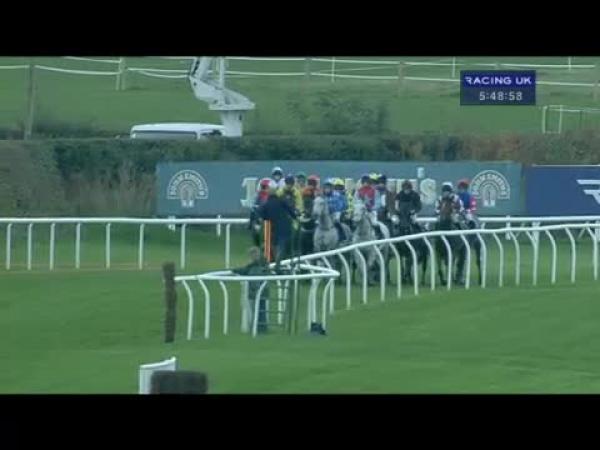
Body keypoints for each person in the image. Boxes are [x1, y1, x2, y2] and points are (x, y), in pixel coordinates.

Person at [257, 184, 298, 269]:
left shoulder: (266, 204)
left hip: (272, 229)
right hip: (285, 227)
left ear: (268, 193)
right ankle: (280, 263)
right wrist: (296, 217)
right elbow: (291, 212)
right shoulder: (282, 201)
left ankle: (272, 263)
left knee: (273, 245)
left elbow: (260, 216)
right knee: (283, 246)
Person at [231, 247, 270, 334]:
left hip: (258, 291)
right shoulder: (261, 264)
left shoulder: (257, 265)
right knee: (258, 310)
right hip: (259, 291)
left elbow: (245, 270)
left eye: (252, 255)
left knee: (260, 310)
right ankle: (259, 328)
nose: (252, 257)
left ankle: (260, 328)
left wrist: (234, 270)